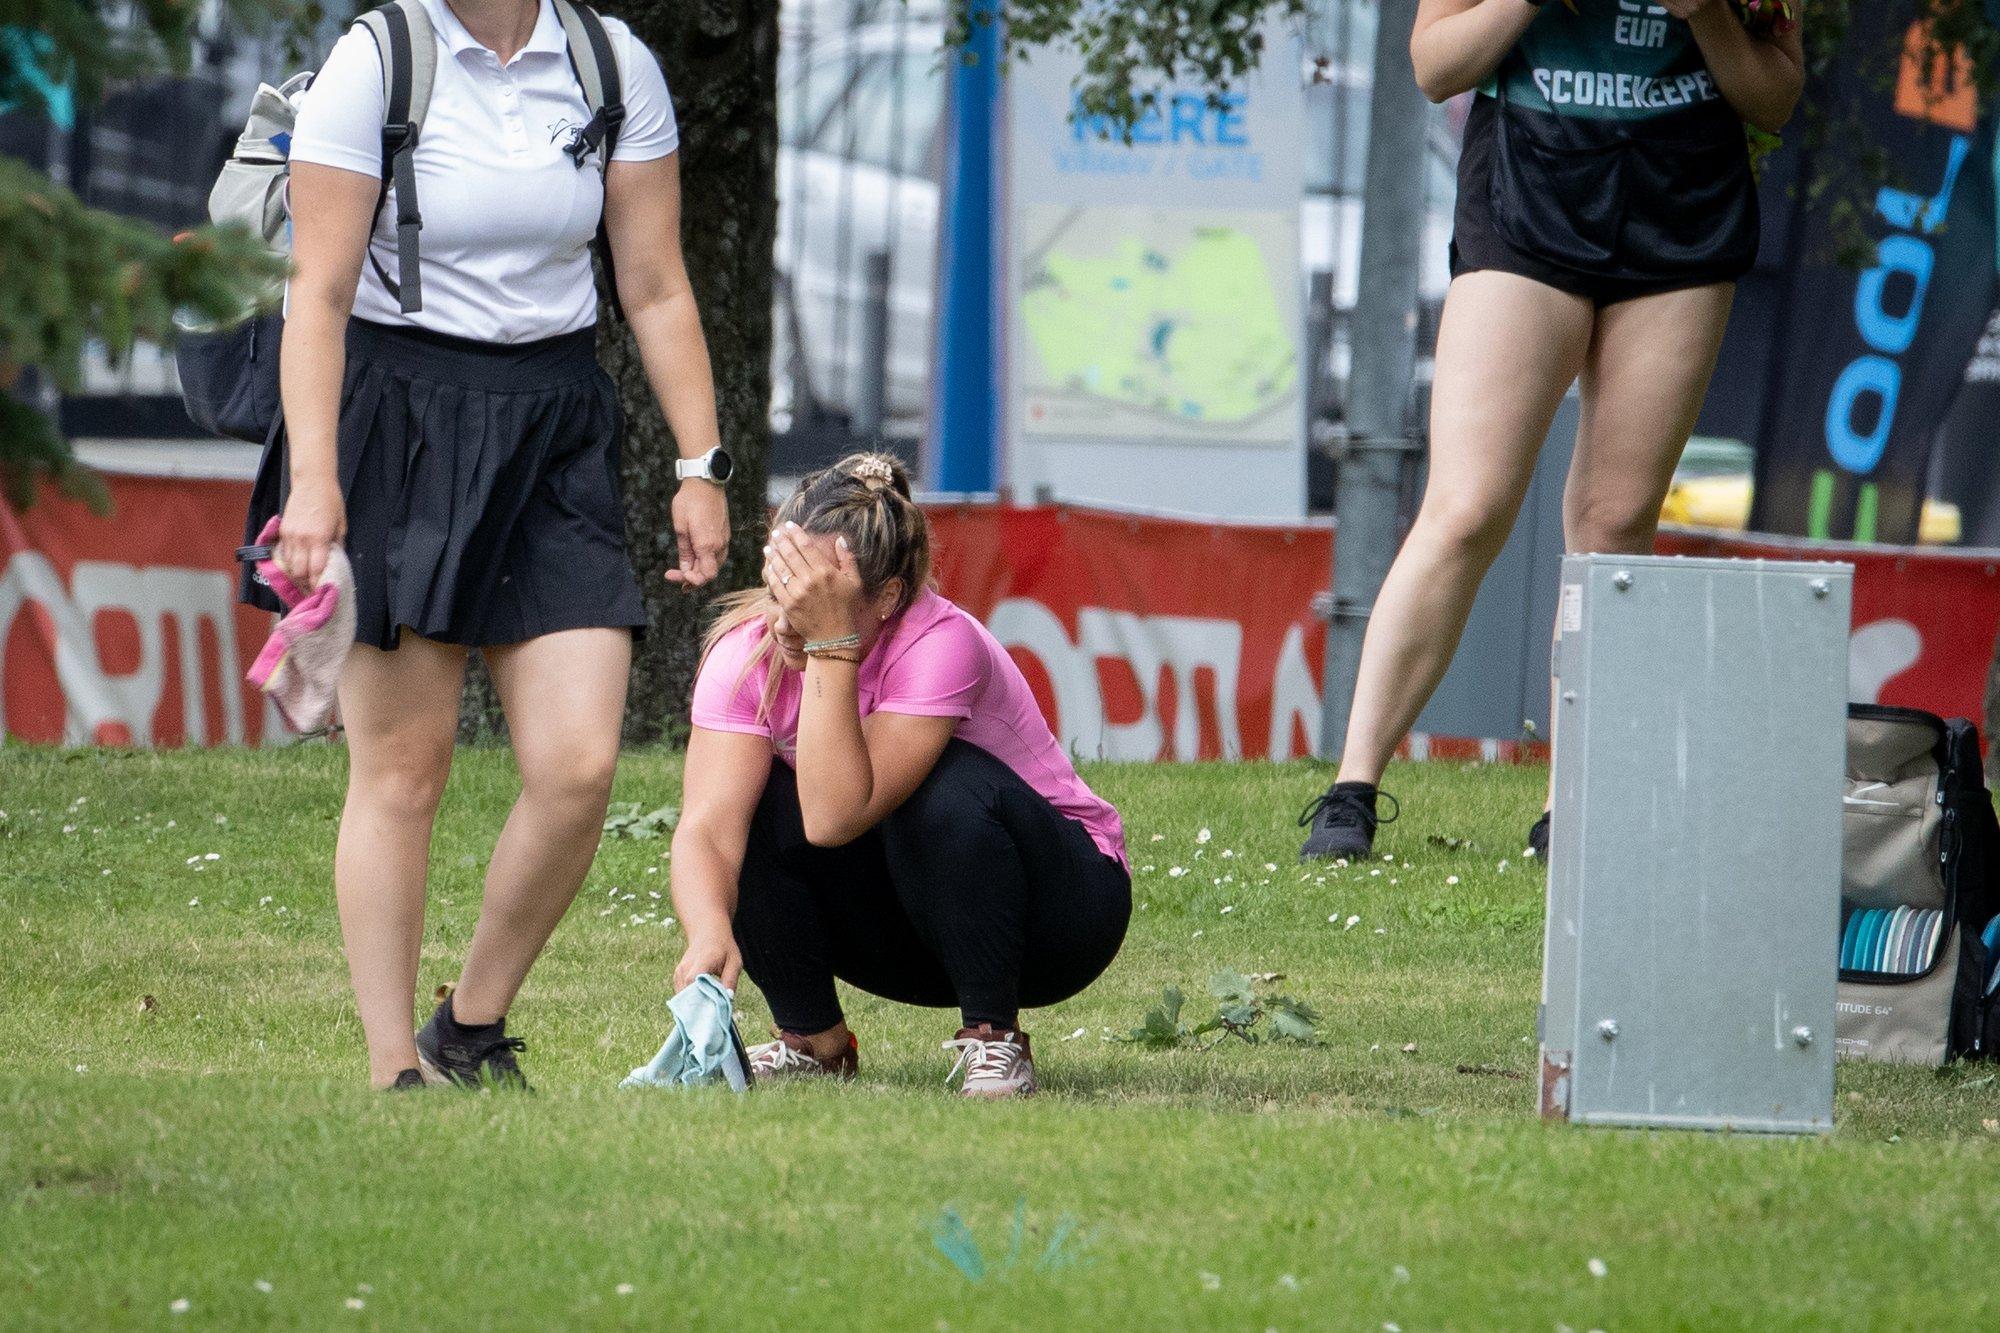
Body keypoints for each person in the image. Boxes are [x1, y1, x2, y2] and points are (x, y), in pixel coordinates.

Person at [248, 0, 732, 1089]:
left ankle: (467, 1025)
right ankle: (394, 1071)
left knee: (580, 766)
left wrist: (700, 465)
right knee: (403, 769)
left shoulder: (610, 61)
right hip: (399, 417)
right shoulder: (378, 59)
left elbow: (655, 285)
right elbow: (317, 295)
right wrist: (315, 480)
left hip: (554, 426)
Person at [1299, 0, 1803, 862]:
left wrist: (1707, 19)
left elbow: (1776, 96)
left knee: (1615, 521)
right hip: (1530, 188)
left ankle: (1571, 805)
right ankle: (1352, 788)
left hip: (1683, 204)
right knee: (1466, 507)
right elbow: (1434, 65)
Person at [668, 455, 1131, 1099]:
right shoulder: (744, 654)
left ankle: (995, 1038)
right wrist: (708, 929)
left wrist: (830, 648)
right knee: (759, 800)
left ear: (888, 597)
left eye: (820, 598)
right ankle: (815, 1043)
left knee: (945, 787)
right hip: (916, 924)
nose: (788, 619)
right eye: (785, 587)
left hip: (1060, 917)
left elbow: (833, 817)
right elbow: (708, 829)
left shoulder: (942, 642)